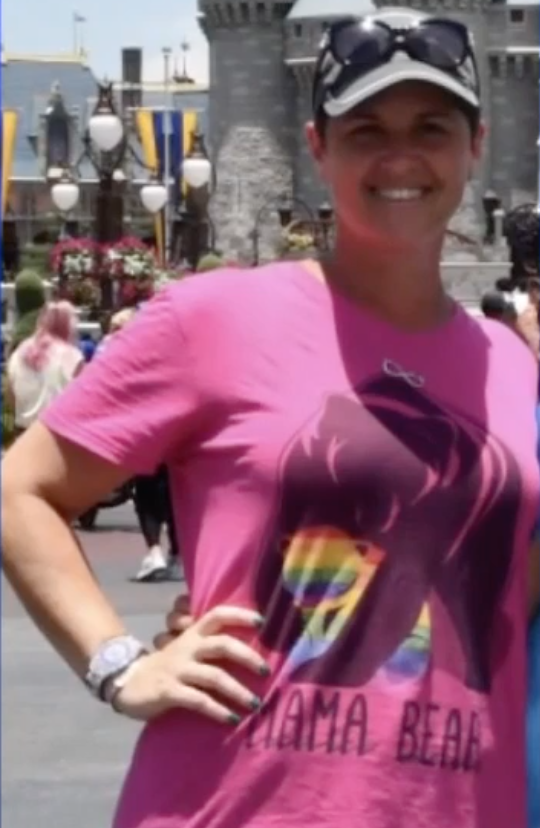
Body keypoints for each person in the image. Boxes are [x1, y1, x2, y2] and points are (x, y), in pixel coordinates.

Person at [2, 9, 539, 828]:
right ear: (318, 147)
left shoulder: (512, 362)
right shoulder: (215, 316)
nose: (401, 155)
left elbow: (508, 597)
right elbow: (23, 491)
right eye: (366, 129)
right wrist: (117, 664)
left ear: (477, 144)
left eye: (432, 126)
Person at [5, 300, 83, 437]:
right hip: (57, 437)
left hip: (23, 434)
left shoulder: (18, 353)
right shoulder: (72, 356)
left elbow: (10, 395)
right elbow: (83, 402)